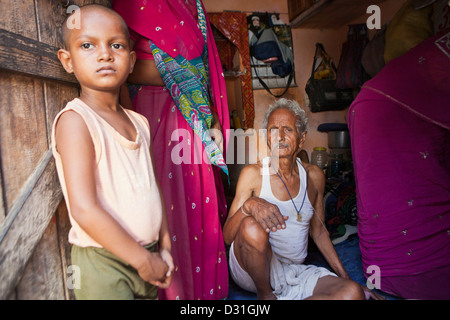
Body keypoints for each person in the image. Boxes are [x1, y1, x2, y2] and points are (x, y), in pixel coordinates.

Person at [52, 4, 173, 299]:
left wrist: (165, 248)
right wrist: (144, 261)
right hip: (103, 263)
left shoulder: (139, 123)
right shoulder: (76, 121)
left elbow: (153, 187)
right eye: (87, 45)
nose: (105, 54)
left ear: (131, 61)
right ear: (67, 60)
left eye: (116, 45)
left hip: (149, 254)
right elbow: (83, 208)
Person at [112, 0, 230, 300]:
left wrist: (208, 112)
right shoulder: (129, 4)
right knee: (163, 207)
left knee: (197, 206)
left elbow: (202, 72)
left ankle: (204, 297)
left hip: (192, 119)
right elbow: (120, 67)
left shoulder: (193, 5)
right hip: (151, 115)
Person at [223, 99, 382, 300]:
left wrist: (347, 279)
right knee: (250, 225)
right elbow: (227, 237)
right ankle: (266, 297)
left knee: (352, 294)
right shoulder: (253, 174)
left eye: (287, 129)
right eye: (273, 130)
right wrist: (248, 206)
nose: (279, 136)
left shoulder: (314, 177)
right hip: (253, 270)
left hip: (293, 270)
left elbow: (319, 231)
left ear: (302, 138)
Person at [348, 29, 450, 299]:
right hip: (392, 107)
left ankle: (392, 267)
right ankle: (413, 268)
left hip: (372, 102)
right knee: (408, 188)